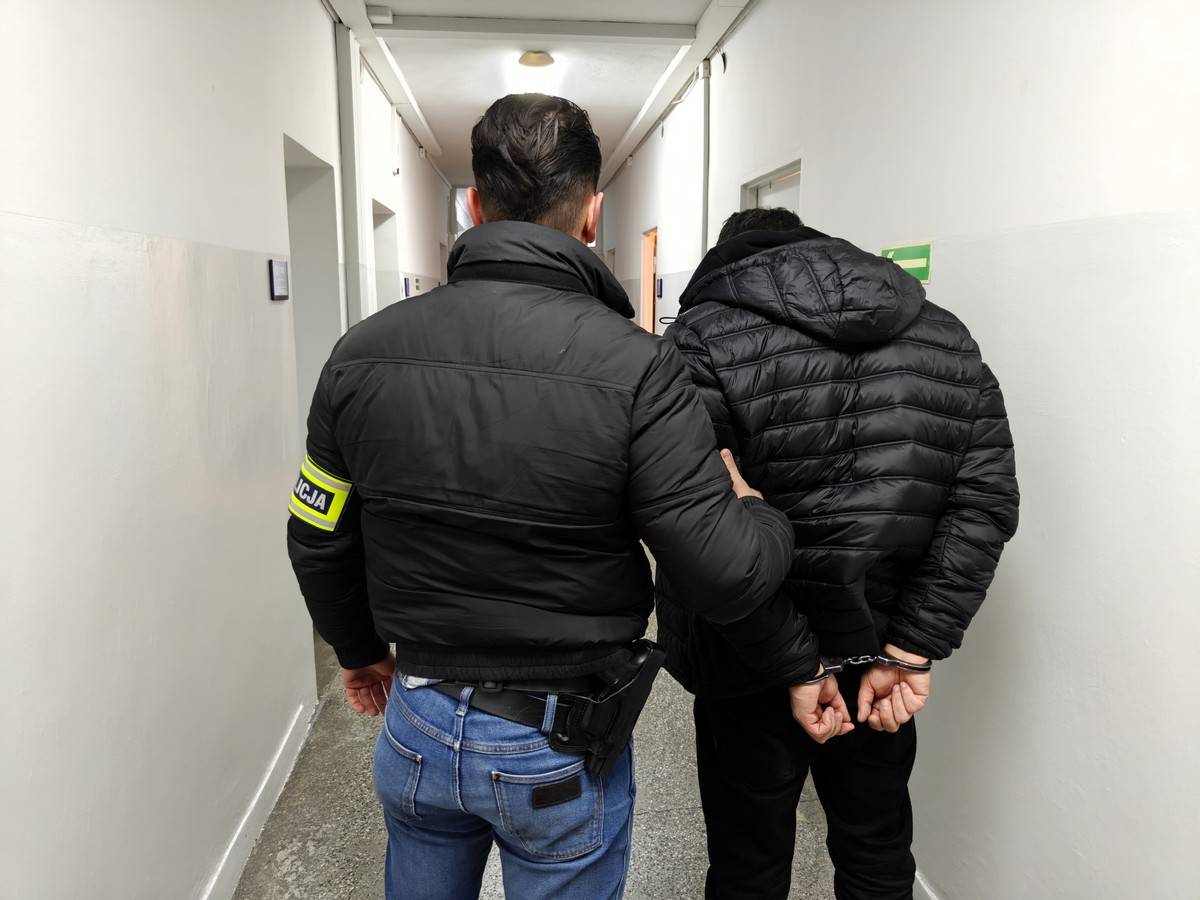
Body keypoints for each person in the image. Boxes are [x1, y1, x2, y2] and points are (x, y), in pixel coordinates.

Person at [286, 99, 830, 900]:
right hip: (557, 738)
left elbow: (317, 531)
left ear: (476, 204)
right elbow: (723, 573)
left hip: (419, 720)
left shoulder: (360, 354)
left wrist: (360, 651)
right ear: (592, 210)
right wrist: (757, 511)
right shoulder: (639, 367)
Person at [657, 207, 1020, 899]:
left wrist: (795, 663)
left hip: (746, 657)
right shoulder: (945, 337)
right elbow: (983, 506)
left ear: (729, 262)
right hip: (879, 661)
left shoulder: (700, 341)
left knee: (747, 862)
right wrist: (911, 648)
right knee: (876, 847)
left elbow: (697, 530)